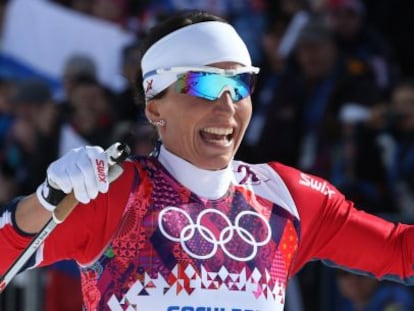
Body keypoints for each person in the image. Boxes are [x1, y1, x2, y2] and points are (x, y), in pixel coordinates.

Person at [2, 10, 414, 311]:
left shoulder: (287, 199)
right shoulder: (115, 193)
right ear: (154, 106)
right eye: (204, 83)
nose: (227, 105)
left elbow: (399, 252)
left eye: (240, 84)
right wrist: (46, 201)